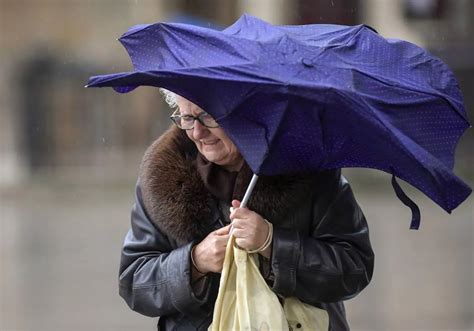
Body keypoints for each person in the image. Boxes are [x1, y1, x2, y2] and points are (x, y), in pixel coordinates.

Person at [118, 90, 375, 330]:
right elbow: (134, 282)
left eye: (208, 116)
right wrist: (195, 261)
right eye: (186, 117)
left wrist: (273, 245)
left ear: (247, 110)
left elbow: (354, 268)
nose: (197, 132)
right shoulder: (160, 180)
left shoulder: (312, 171)